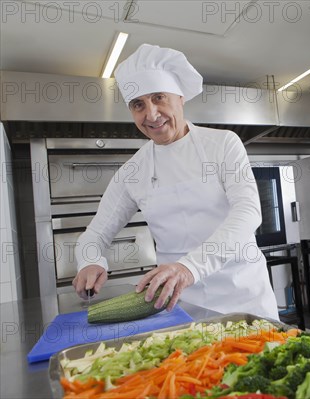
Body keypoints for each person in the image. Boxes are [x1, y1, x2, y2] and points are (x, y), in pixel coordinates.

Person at [72, 44, 279, 320]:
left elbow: (248, 211)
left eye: (159, 97)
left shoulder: (222, 144)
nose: (152, 114)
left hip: (243, 296)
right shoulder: (133, 170)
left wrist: (188, 268)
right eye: (138, 105)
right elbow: (95, 234)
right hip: (179, 307)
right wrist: (90, 261)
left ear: (180, 97)